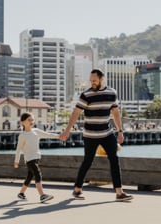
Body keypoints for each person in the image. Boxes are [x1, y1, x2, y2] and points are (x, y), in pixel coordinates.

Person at [59, 69, 133, 202]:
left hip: (106, 133)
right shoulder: (86, 95)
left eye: (94, 80)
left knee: (114, 160)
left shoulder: (112, 93)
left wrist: (120, 131)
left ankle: (119, 192)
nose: (92, 83)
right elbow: (75, 113)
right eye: (91, 80)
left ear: (101, 78)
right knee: (88, 161)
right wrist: (67, 130)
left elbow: (115, 113)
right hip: (90, 134)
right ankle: (77, 189)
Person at [14, 112, 59, 203]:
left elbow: (48, 135)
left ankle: (21, 193)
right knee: (38, 174)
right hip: (29, 159)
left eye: (32, 120)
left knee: (30, 177)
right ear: (23, 122)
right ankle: (42, 195)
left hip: (36, 158)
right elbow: (18, 149)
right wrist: (16, 161)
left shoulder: (36, 131)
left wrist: (59, 136)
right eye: (29, 120)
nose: (31, 121)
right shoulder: (22, 135)